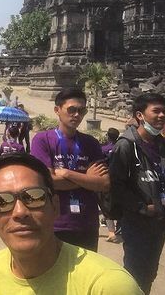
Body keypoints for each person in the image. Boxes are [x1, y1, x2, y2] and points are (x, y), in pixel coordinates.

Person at [0, 153, 143, 295]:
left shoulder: (107, 286)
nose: (20, 212)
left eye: (34, 197)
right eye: (1, 201)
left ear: (55, 206)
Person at [109, 92, 165, 294]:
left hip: (160, 221)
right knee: (134, 273)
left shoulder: (163, 145)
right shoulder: (126, 145)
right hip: (137, 222)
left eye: (164, 111)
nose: (162, 115)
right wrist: (140, 207)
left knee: (149, 272)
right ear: (140, 115)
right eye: (156, 111)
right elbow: (115, 185)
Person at [30, 88, 108, 252]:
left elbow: (103, 183)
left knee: (84, 275)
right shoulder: (43, 140)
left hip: (86, 223)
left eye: (81, 110)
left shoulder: (91, 143)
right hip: (55, 223)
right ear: (57, 110)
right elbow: (46, 181)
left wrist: (67, 174)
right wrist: (87, 180)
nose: (77, 115)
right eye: (71, 109)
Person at [102, 127, 121, 243]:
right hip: (120, 180)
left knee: (106, 205)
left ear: (108, 136)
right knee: (118, 204)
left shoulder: (103, 149)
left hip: (107, 180)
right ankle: (119, 228)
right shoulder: (121, 147)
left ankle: (111, 232)